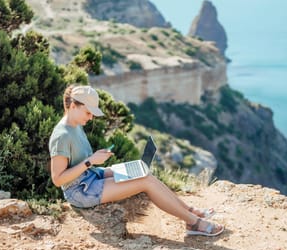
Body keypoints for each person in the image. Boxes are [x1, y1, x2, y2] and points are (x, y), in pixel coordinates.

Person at [48, 84, 224, 237]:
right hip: (80, 191)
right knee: (145, 181)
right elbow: (58, 179)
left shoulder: (75, 125)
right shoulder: (62, 136)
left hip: (91, 176)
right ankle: (193, 223)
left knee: (141, 170)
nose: (91, 117)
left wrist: (93, 160)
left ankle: (189, 210)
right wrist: (90, 161)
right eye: (88, 112)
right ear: (72, 106)